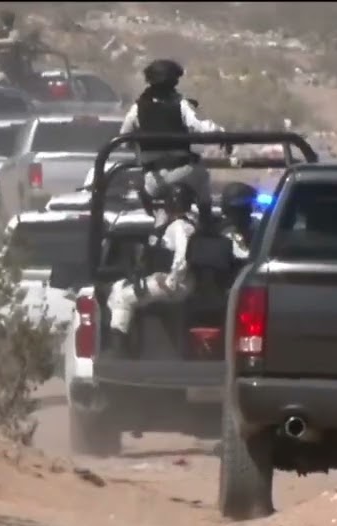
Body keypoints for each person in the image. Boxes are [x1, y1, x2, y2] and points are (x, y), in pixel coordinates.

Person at [119, 59, 223, 238]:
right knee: (203, 176)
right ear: (174, 81)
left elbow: (124, 138)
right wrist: (222, 134)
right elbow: (203, 127)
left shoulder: (137, 108)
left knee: (152, 196)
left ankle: (158, 230)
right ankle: (207, 224)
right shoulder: (181, 105)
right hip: (183, 173)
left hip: (153, 180)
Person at [105, 183, 200, 355]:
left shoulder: (180, 226)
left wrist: (171, 282)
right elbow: (154, 248)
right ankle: (125, 342)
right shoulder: (177, 224)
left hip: (177, 283)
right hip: (170, 278)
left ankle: (119, 350)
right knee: (119, 287)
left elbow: (182, 258)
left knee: (121, 298)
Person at [219, 182, 258, 261]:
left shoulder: (257, 228)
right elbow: (246, 258)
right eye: (248, 207)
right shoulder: (229, 233)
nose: (250, 211)